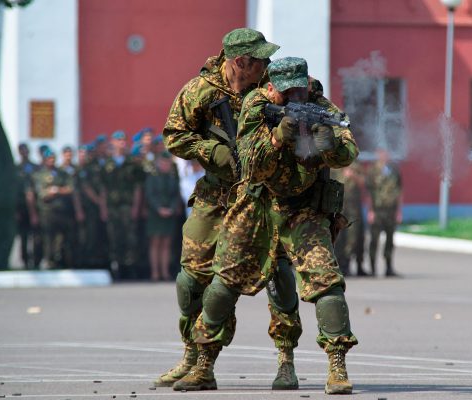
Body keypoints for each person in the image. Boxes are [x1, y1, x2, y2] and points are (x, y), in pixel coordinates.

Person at [185, 57, 358, 395]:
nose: (295, 97)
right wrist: (279, 136)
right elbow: (250, 164)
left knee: (326, 283)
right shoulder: (255, 105)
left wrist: (331, 144)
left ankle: (337, 365)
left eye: (300, 89)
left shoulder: (321, 107)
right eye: (286, 91)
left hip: (303, 208)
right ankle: (204, 364)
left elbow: (348, 152)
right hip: (257, 204)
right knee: (224, 284)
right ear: (269, 87)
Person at [157, 28, 302, 390]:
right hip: (217, 195)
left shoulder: (272, 85)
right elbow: (174, 134)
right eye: (260, 59)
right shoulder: (199, 91)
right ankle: (193, 357)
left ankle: (286, 361)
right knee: (191, 281)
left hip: (264, 196)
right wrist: (211, 151)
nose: (267, 64)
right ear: (240, 61)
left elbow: (309, 98)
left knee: (279, 277)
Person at [100, 130, 144, 279]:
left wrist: (136, 207)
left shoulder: (132, 162)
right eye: (118, 140)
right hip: (112, 207)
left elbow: (138, 187)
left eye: (123, 140)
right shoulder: (107, 163)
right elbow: (103, 188)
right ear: (112, 142)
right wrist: (103, 208)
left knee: (130, 239)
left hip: (128, 206)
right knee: (114, 238)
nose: (121, 143)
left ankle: (130, 269)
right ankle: (116, 268)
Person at [30, 149, 74, 269]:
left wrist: (57, 190)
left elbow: (70, 188)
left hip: (62, 211)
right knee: (48, 238)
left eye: (53, 158)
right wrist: (51, 192)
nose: (51, 161)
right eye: (49, 159)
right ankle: (48, 261)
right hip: (47, 211)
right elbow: (41, 193)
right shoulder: (39, 175)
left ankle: (60, 261)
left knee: (62, 238)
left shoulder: (62, 173)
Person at [367, 149, 403, 277]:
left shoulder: (394, 170)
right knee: (374, 241)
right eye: (381, 153)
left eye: (386, 153)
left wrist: (399, 211)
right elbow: (369, 193)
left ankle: (389, 268)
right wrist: (370, 211)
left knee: (389, 240)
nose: (384, 156)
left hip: (390, 211)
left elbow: (399, 192)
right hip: (377, 211)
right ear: (377, 155)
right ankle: (372, 269)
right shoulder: (372, 171)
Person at [145, 153, 181, 281]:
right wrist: (159, 208)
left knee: (166, 243)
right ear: (159, 163)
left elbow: (176, 195)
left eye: (167, 163)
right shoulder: (153, 177)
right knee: (155, 242)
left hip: (169, 213)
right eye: (163, 162)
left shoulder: (172, 177)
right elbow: (150, 195)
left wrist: (170, 208)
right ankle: (155, 273)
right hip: (155, 213)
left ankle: (164, 272)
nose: (165, 165)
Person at [333, 162, 369, 276]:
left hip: (354, 209)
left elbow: (365, 183)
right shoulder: (334, 168)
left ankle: (354, 264)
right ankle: (341, 265)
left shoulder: (356, 167)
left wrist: (354, 176)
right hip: (340, 209)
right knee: (339, 238)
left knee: (355, 237)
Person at [15, 143, 40, 269]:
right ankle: (25, 261)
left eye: (26, 150)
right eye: (21, 150)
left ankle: (36, 261)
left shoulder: (36, 167)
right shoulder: (16, 169)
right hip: (22, 208)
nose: (24, 152)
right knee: (24, 237)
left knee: (37, 237)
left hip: (37, 207)